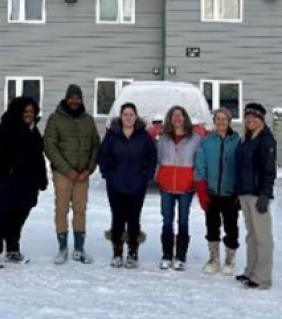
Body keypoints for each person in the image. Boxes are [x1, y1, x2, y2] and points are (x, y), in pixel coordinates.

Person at [0, 96, 48, 269]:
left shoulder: (33, 131)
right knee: (1, 216)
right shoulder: (4, 129)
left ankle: (12, 250)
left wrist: (42, 179)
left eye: (32, 112)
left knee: (19, 217)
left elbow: (38, 158)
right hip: (6, 182)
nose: (29, 115)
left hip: (28, 183)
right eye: (26, 111)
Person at [43, 84, 101, 265]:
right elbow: (49, 146)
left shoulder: (88, 120)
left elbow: (95, 146)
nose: (75, 101)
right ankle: (62, 248)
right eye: (72, 97)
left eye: (78, 97)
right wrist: (66, 170)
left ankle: (79, 248)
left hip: (82, 174)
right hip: (63, 173)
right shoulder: (55, 119)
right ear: (66, 98)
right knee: (61, 209)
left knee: (80, 210)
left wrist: (88, 169)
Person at [97, 103, 158, 268]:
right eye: (125, 114)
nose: (128, 117)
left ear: (136, 117)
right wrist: (107, 174)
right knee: (117, 219)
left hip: (137, 185)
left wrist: (147, 176)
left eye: (131, 114)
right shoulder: (112, 135)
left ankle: (132, 252)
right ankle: (117, 252)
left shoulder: (143, 136)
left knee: (133, 219)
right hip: (116, 184)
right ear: (120, 116)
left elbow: (152, 157)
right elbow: (102, 156)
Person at [194, 108, 241, 275]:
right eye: (218, 119)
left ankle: (230, 260)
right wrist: (201, 191)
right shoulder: (207, 141)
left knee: (231, 227)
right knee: (212, 226)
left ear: (229, 121)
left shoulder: (237, 141)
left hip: (230, 194)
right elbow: (200, 166)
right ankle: (213, 259)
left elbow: (241, 168)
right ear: (214, 121)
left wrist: (239, 192)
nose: (221, 122)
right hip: (212, 193)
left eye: (224, 119)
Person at [234, 102, 276, 289]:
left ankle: (263, 277)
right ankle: (250, 270)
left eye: (254, 117)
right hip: (245, 193)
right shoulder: (246, 139)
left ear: (261, 119)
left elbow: (269, 170)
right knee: (251, 236)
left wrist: (265, 194)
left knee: (263, 237)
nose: (250, 120)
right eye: (247, 117)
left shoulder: (266, 140)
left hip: (258, 194)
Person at [155, 105, 202, 270]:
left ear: (185, 118)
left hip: (186, 187)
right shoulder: (163, 138)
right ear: (170, 119)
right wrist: (158, 177)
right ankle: (167, 255)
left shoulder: (195, 139)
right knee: (167, 221)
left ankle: (181, 256)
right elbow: (158, 160)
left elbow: (199, 162)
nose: (177, 119)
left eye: (180, 115)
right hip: (166, 186)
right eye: (174, 116)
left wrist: (195, 180)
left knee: (183, 221)